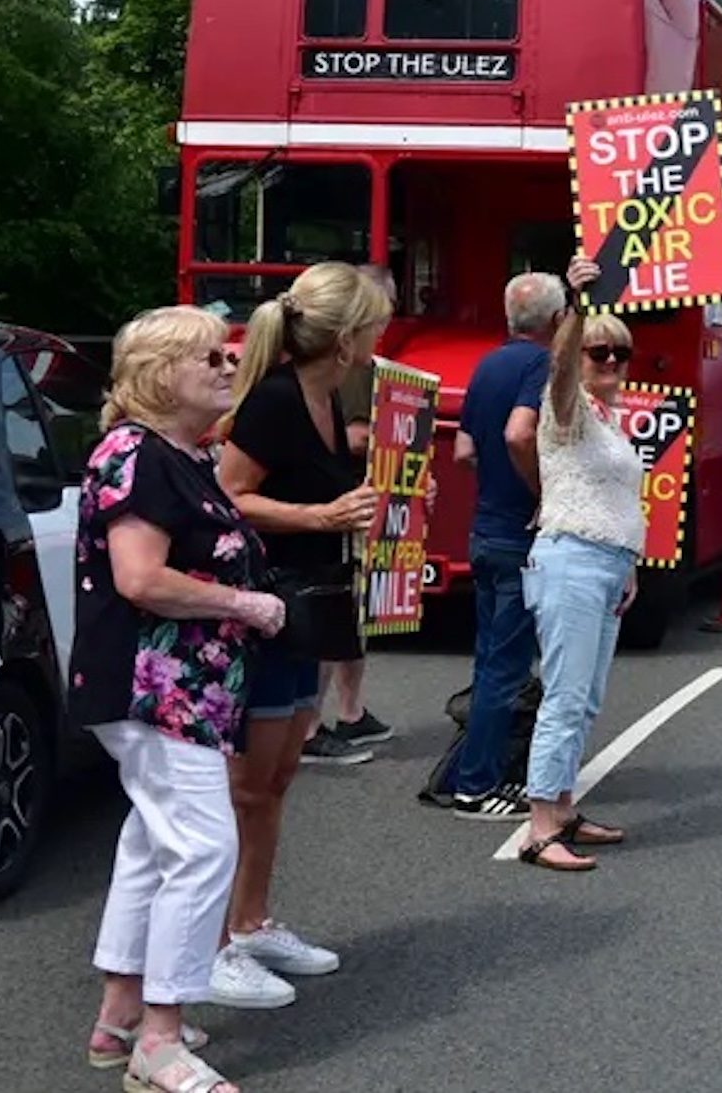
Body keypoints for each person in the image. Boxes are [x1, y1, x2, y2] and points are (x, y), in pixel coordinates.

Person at [74, 307, 285, 1093]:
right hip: (156, 688)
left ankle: (120, 1013)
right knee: (203, 848)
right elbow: (140, 578)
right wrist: (245, 604)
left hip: (178, 690)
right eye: (211, 356)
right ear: (161, 374)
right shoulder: (137, 456)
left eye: (230, 353)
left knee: (151, 843)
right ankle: (160, 1039)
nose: (230, 365)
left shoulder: (177, 453)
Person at [210, 261, 390, 1008]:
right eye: (376, 325)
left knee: (276, 778)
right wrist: (320, 518)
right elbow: (227, 495)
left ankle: (251, 922)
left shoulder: (321, 401)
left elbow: (320, 494)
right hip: (262, 605)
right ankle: (214, 942)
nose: (384, 337)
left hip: (305, 604)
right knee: (244, 785)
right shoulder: (277, 401)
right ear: (346, 341)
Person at [515, 253, 645, 872]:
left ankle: (564, 807)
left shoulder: (607, 423)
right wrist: (577, 307)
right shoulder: (564, 410)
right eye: (601, 353)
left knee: (587, 698)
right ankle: (540, 826)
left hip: (606, 563)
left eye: (621, 353)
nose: (612, 363)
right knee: (565, 697)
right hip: (570, 559)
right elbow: (561, 365)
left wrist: (631, 565)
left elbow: (618, 499)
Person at [446, 271, 565, 820]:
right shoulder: (540, 366)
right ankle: (478, 784)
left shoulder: (488, 364)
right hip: (520, 531)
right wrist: (542, 491)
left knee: (489, 658)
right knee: (509, 667)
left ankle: (465, 767)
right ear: (557, 320)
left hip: (484, 527)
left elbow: (464, 451)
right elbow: (520, 433)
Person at [313, 262, 402, 757]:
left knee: (357, 613)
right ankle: (311, 726)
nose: (387, 323)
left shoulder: (370, 368)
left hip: (361, 498)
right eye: (381, 312)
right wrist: (383, 438)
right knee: (335, 612)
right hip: (339, 502)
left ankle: (350, 712)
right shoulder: (347, 373)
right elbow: (347, 436)